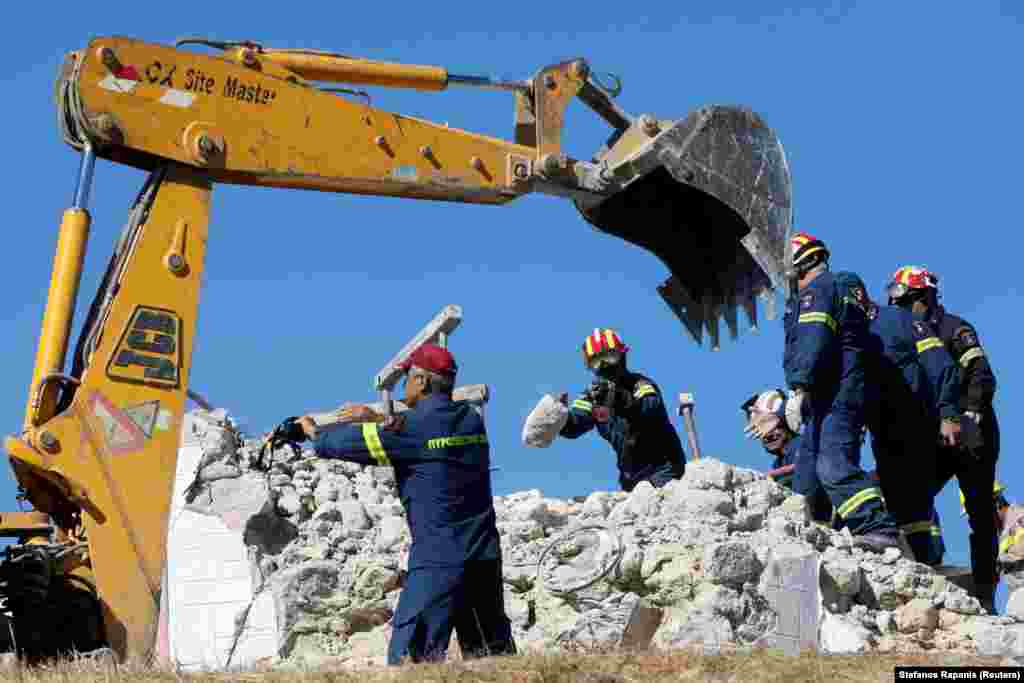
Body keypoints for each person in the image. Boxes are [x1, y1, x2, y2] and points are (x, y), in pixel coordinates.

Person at [270, 343, 516, 664]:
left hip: (439, 560)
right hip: (483, 556)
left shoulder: (411, 430)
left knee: (413, 661)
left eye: (407, 380)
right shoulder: (470, 421)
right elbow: (422, 436)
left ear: (423, 382)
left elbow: (343, 444)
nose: (404, 387)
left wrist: (310, 431)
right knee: (491, 658)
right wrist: (377, 419)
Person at [888, 265, 1000, 611]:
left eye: (907, 303)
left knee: (980, 512)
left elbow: (981, 374)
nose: (902, 312)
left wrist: (970, 413)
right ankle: (923, 570)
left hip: (971, 434)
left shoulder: (955, 329)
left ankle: (983, 590)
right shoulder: (905, 335)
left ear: (924, 298)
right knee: (910, 496)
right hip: (935, 438)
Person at [783, 232, 900, 551]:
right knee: (806, 477)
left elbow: (813, 338)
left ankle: (877, 525)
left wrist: (799, 386)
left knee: (832, 465)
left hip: (836, 393)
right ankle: (814, 532)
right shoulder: (841, 288)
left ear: (800, 263)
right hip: (828, 395)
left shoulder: (818, 291)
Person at [862, 290, 962, 565]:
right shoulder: (853, 331)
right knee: (898, 501)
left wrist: (948, 414)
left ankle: (928, 563)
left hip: (916, 424)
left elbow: (941, 366)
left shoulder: (899, 320)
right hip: (883, 433)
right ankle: (911, 566)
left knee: (915, 501)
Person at [559, 328, 686, 492]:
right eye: (597, 361)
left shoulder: (641, 384)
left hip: (664, 470)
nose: (604, 365)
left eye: (610, 356)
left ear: (622, 356)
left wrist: (622, 399)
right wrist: (559, 417)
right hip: (630, 478)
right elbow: (574, 425)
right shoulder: (593, 396)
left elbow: (650, 408)